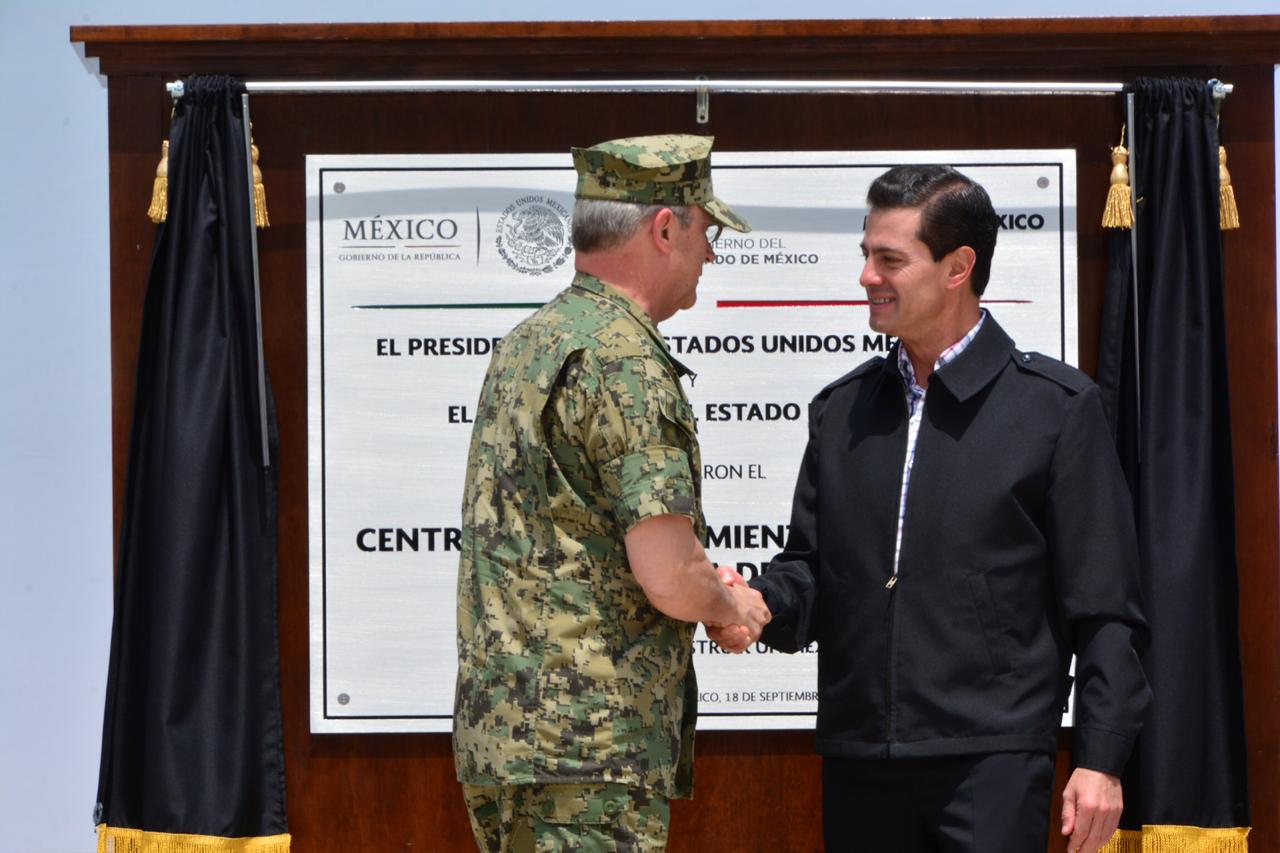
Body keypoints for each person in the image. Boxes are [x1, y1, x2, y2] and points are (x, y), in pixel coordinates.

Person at [710, 165, 1151, 853]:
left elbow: (1105, 606)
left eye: (890, 258)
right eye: (865, 253)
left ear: (958, 267)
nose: (866, 276)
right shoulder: (842, 410)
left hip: (991, 765)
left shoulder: (1056, 411)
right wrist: (755, 607)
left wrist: (1102, 758)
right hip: (860, 763)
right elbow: (813, 571)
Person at [453, 133, 770, 852]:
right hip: (588, 750)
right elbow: (667, 574)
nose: (711, 255)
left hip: (508, 742)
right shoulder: (623, 358)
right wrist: (730, 603)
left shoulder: (530, 340)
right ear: (665, 228)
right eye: (706, 232)